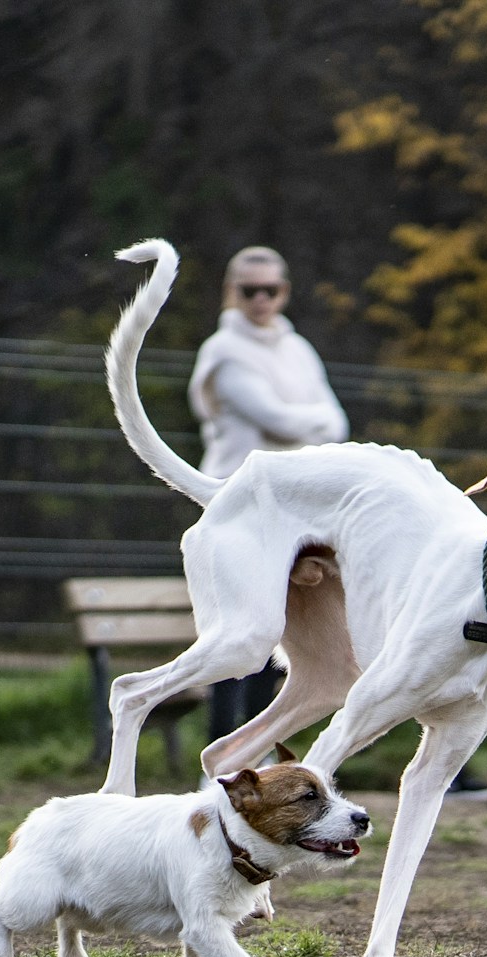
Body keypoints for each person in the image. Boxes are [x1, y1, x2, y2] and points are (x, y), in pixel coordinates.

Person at [188, 245, 349, 747]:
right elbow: (276, 419)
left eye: (271, 289)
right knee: (243, 641)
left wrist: (301, 422)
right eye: (249, 289)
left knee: (288, 633)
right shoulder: (224, 351)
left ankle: (257, 758)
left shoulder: (296, 348)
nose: (261, 299)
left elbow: (338, 424)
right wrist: (309, 421)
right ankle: (223, 765)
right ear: (231, 291)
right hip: (239, 509)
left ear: (284, 291)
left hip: (296, 510)